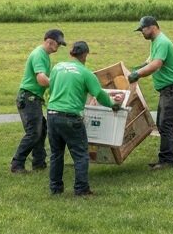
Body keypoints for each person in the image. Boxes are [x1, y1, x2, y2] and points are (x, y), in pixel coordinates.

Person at [46, 40, 120, 196]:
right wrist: (113, 104)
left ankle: (55, 188)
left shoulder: (57, 67)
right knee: (80, 154)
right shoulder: (86, 73)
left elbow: (51, 87)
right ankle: (81, 189)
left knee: (56, 153)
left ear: (71, 53)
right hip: (71, 117)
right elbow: (99, 94)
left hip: (52, 114)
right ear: (85, 55)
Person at [127, 15, 173, 170]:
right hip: (168, 90)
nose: (141, 32)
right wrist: (135, 69)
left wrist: (137, 75)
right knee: (162, 123)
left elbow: (156, 65)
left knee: (166, 123)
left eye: (143, 29)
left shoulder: (162, 42)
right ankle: (165, 158)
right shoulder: (156, 42)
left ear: (152, 27)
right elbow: (149, 61)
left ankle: (168, 161)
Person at [11, 28, 65, 174]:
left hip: (33, 98)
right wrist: (59, 85)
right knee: (34, 132)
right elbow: (41, 79)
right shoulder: (39, 54)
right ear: (50, 42)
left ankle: (39, 163)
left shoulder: (44, 55)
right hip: (28, 97)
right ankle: (17, 164)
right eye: (58, 44)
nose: (59, 47)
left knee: (41, 130)